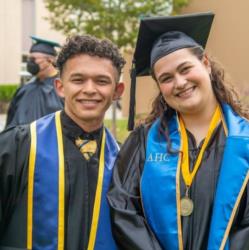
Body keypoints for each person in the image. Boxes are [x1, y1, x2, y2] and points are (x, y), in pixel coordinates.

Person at [108, 12, 249, 250]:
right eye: (167, 78)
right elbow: (123, 209)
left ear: (205, 64)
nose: (180, 83)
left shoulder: (243, 139)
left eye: (185, 69)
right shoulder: (143, 142)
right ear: (160, 86)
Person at [0, 34, 125, 249]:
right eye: (78, 80)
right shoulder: (18, 146)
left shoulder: (124, 160)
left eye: (102, 81)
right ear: (59, 86)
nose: (89, 89)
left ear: (117, 91)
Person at [5, 36, 64, 128]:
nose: (30, 63)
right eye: (29, 59)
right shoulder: (24, 90)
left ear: (50, 60)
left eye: (33, 59)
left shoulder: (63, 88)